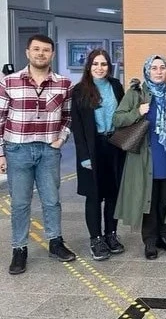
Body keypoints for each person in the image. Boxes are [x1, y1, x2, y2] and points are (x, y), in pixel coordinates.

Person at [0, 35, 76, 275]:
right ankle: (19, 249)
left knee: (52, 200)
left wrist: (61, 139)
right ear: (27, 52)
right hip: (17, 149)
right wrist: (0, 154)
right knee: (20, 203)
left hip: (48, 150)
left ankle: (55, 242)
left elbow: (68, 116)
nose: (41, 54)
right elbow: (0, 118)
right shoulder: (9, 82)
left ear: (52, 54)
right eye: (36, 49)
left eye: (46, 50)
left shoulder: (64, 84)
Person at [113, 55, 166, 260]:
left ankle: (163, 235)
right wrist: (137, 112)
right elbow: (117, 119)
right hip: (145, 154)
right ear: (147, 71)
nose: (158, 72)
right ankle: (150, 240)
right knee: (148, 198)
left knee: (165, 197)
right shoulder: (136, 93)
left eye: (162, 68)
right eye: (154, 68)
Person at [71, 49, 126, 261]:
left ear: (109, 67)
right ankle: (96, 239)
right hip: (92, 148)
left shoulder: (116, 86)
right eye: (95, 64)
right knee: (94, 196)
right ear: (89, 66)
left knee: (113, 194)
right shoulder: (80, 90)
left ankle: (111, 234)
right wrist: (84, 156)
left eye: (103, 64)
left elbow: (123, 114)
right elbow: (77, 126)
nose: (99, 68)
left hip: (115, 145)